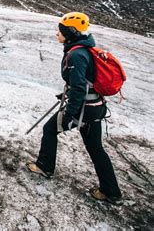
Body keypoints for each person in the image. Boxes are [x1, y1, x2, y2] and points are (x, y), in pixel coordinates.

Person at [26, 12, 122, 205]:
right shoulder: (85, 49)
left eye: (60, 31)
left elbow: (79, 87)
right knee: (96, 148)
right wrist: (69, 94)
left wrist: (70, 113)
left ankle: (45, 166)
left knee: (50, 129)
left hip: (84, 108)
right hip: (95, 107)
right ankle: (112, 192)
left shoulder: (76, 54)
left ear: (69, 33)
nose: (56, 34)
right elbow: (84, 82)